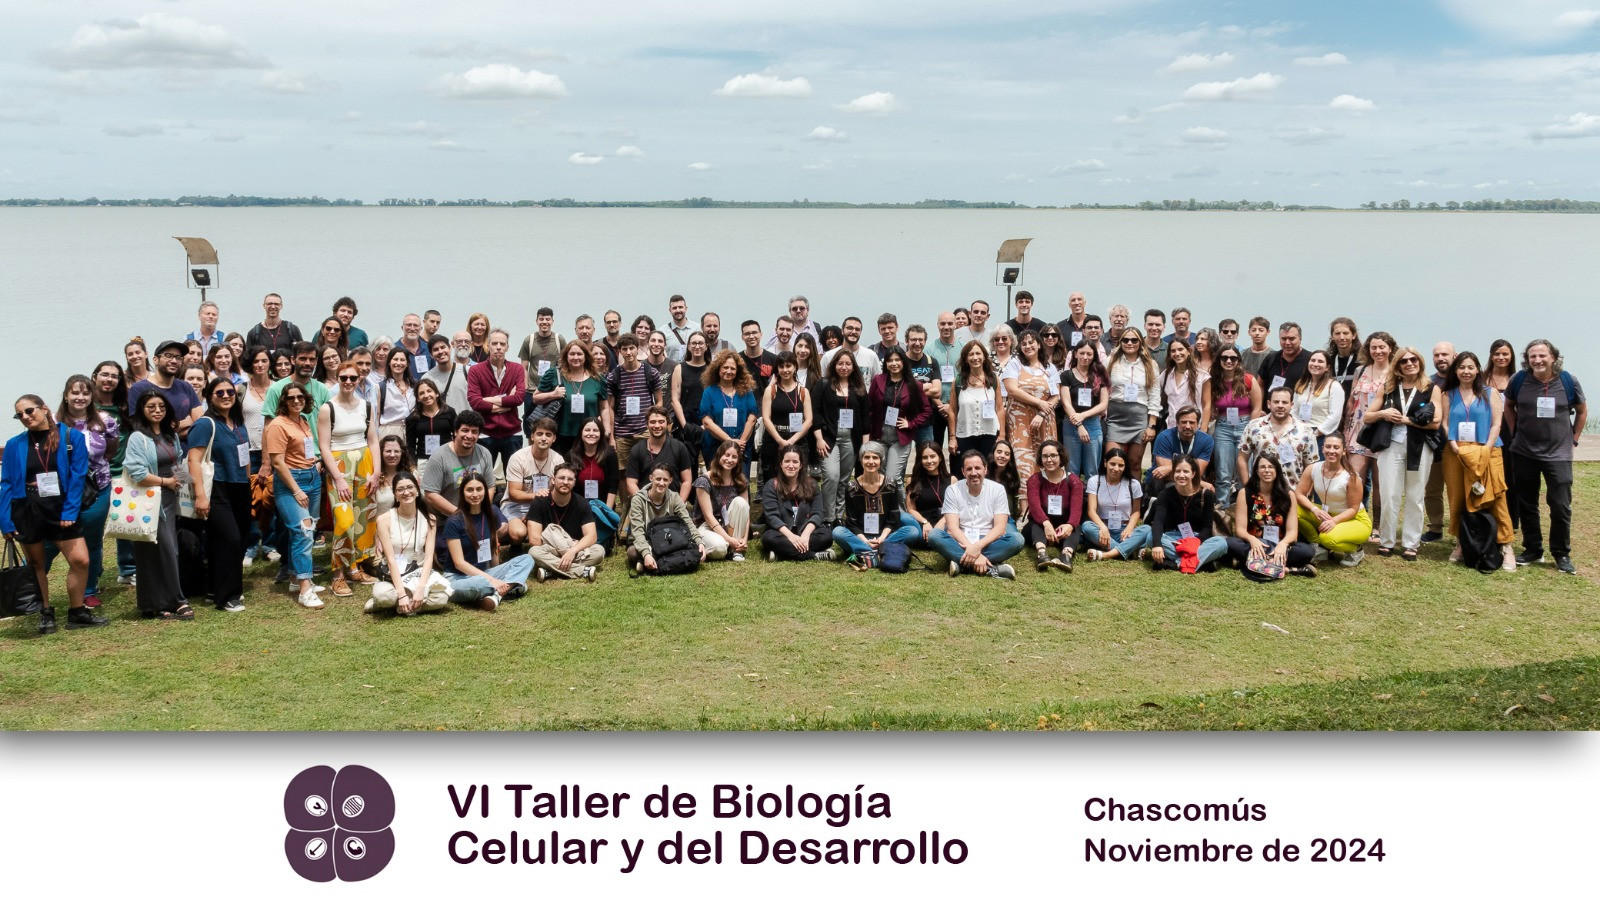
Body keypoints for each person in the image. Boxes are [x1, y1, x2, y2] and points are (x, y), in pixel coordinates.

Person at [1, 395, 106, 632]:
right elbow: (6, 483)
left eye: (29, 411)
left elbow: (78, 476)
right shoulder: (15, 444)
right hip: (28, 508)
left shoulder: (71, 437)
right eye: (20, 415)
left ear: (44, 409)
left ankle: (77, 612)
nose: (25, 417)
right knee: (36, 564)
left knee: (80, 560)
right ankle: (46, 613)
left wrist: (70, 510)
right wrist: (5, 521)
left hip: (60, 507)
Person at [1503, 339, 1585, 574]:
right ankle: (1533, 549)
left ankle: (1561, 553)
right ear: (1527, 359)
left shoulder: (1568, 381)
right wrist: (1515, 432)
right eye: (1533, 356)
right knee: (1527, 503)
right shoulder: (1519, 380)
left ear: (1553, 357)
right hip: (1524, 452)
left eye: (1542, 356)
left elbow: (1581, 411)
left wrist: (1574, 438)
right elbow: (1509, 406)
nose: (1537, 360)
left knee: (1560, 505)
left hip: (1558, 454)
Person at [1437, 351, 1518, 569]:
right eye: (1462, 367)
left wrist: (1487, 448)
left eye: (1470, 367)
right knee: (1458, 497)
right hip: (1456, 452)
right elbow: (1445, 422)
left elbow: (1496, 424)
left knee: (1496, 497)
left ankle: (1506, 545)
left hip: (1488, 450)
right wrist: (1453, 443)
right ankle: (1462, 541)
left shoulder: (1490, 393)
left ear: (1477, 370)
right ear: (1456, 371)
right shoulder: (1448, 394)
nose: (1466, 371)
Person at [43, 376, 117, 610]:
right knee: (49, 541)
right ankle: (30, 588)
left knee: (92, 541)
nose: (80, 397)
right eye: (75, 392)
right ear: (66, 395)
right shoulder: (52, 422)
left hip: (97, 490)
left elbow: (111, 449)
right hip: (60, 493)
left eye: (85, 393)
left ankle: (89, 590)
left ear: (92, 396)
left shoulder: (105, 421)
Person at [1363, 347, 1443, 560]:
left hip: (1419, 447)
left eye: (1413, 359)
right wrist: (1383, 413)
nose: (1409, 364)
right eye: (1404, 361)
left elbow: (1436, 422)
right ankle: (1387, 541)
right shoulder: (1388, 388)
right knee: (1389, 494)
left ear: (1420, 362)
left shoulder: (1431, 388)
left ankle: (1410, 543)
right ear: (1397, 365)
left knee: (1415, 496)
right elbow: (1367, 417)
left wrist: (1408, 420)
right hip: (1391, 446)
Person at [185, 377, 254, 611]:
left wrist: (249, 482)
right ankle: (228, 596)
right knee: (230, 539)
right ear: (209, 396)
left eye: (230, 392)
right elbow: (193, 460)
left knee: (237, 538)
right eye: (219, 393)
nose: (226, 396)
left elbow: (244, 456)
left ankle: (213, 587)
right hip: (216, 489)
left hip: (240, 487)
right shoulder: (205, 424)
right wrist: (200, 496)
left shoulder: (238, 422)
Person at [124, 392, 191, 618]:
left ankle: (153, 604)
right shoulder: (138, 438)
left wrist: (183, 482)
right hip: (149, 500)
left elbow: (178, 461)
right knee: (163, 550)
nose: (157, 410)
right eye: (151, 406)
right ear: (142, 410)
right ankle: (177, 601)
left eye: (161, 406)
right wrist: (166, 482)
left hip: (170, 498)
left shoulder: (170, 435)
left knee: (164, 549)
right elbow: (137, 473)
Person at [316, 361, 380, 597]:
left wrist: (376, 472)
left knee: (364, 518)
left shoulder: (366, 406)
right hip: (339, 465)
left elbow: (373, 440)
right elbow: (324, 446)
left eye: (353, 378)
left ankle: (354, 568)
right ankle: (338, 575)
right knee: (344, 521)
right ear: (337, 378)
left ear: (359, 379)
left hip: (364, 462)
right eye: (343, 377)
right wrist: (338, 478)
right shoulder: (328, 409)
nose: (348, 382)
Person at [437, 471, 533, 609]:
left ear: (485, 491)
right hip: (458, 578)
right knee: (480, 584)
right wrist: (493, 580)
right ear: (462, 493)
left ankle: (496, 594)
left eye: (479, 489)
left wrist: (496, 574)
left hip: (484, 573)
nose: (475, 494)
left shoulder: (491, 513)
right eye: (470, 490)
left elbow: (493, 547)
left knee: (527, 559)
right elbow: (459, 563)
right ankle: (513, 586)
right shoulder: (454, 521)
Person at [363, 470, 451, 615]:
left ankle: (396, 605)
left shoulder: (430, 519)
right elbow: (390, 559)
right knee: (384, 595)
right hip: (393, 575)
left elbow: (429, 558)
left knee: (441, 599)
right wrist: (401, 593)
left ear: (417, 490)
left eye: (410, 487)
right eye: (400, 489)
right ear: (395, 494)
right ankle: (398, 601)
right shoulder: (384, 519)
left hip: (418, 572)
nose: (406, 492)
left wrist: (421, 588)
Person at [929, 450, 1022, 579]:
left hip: (988, 540)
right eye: (969, 469)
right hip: (961, 539)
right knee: (934, 535)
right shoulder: (953, 490)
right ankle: (990, 568)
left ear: (985, 469)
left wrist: (977, 547)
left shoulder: (998, 489)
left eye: (977, 468)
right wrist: (972, 550)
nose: (973, 473)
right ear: (963, 472)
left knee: (1017, 539)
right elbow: (952, 528)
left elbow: (1000, 527)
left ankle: (962, 564)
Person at [832, 441, 920, 569]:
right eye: (867, 457)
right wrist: (865, 540)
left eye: (875, 458)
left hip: (885, 536)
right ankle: (878, 550)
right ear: (861, 460)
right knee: (837, 532)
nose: (871, 462)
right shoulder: (851, 488)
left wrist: (882, 538)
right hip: (861, 536)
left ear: (881, 461)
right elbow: (851, 522)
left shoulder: (890, 485)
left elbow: (893, 517)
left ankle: (867, 551)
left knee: (912, 531)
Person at [1227, 455, 1319, 577]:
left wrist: (1283, 544)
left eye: (1271, 467)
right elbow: (1240, 530)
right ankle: (1287, 568)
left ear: (1277, 470)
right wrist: (1252, 540)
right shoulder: (1245, 493)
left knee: (1307, 551)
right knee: (1231, 543)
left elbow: (1292, 532)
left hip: (1279, 545)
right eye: (1262, 467)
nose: (1267, 470)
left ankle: (1250, 563)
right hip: (1254, 545)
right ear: (1256, 471)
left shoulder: (1288, 495)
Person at [1293, 433, 1374, 566]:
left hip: (1355, 519)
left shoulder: (1351, 476)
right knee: (1293, 508)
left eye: (1336, 447)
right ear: (1322, 448)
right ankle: (1319, 547)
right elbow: (1299, 494)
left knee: (1327, 538)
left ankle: (1356, 550)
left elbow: (1353, 509)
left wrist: (1334, 521)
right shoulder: (1313, 468)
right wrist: (1314, 509)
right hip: (1328, 514)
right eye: (1328, 447)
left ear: (1343, 451)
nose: (1331, 451)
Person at [1343, 330, 1397, 513]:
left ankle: (1377, 524)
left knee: (1380, 482)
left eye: (1382, 347)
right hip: (1358, 431)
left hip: (1382, 432)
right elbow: (1352, 401)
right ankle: (1355, 518)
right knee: (1355, 478)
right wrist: (1345, 432)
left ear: (1390, 349)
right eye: (1374, 347)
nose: (1378, 351)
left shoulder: (1395, 373)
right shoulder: (1360, 371)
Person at [1145, 455, 1229, 572]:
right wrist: (1157, 544)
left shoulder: (1207, 495)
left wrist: (1196, 541)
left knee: (1221, 543)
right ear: (1173, 473)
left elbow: (1207, 527)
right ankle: (1200, 562)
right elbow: (1158, 522)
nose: (1181, 475)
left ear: (1193, 474)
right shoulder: (1165, 495)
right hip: (1172, 538)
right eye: (1178, 471)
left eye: (1186, 471)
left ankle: (1177, 564)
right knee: (1150, 537)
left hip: (1197, 539)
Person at [1239, 387, 1321, 500]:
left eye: (1285, 402)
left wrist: (1304, 493)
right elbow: (1242, 458)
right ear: (1269, 404)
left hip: (1293, 494)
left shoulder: (1305, 430)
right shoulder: (1254, 426)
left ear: (1292, 405)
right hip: (1260, 495)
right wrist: (1248, 488)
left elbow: (1311, 465)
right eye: (1276, 402)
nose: (1280, 405)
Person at [525, 463, 602, 582]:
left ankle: (550, 571)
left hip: (574, 549)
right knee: (534, 552)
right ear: (553, 480)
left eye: (570, 479)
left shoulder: (582, 503)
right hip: (551, 550)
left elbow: (592, 536)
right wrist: (563, 549)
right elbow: (534, 540)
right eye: (561, 478)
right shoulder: (539, 502)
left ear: (574, 483)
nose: (565, 482)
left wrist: (572, 551)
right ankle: (582, 571)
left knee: (599, 551)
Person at [815, 349, 868, 524]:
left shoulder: (859, 388)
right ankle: (828, 517)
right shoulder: (824, 384)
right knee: (831, 477)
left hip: (851, 440)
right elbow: (815, 413)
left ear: (853, 367)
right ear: (834, 365)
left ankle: (839, 516)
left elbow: (865, 418)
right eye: (840, 363)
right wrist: (819, 439)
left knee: (844, 479)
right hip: (828, 439)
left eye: (848, 364)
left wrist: (865, 446)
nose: (844, 367)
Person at [627, 463, 710, 573]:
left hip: (668, 540)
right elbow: (637, 531)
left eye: (665, 480)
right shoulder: (638, 500)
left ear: (670, 481)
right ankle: (652, 559)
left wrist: (699, 542)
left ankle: (648, 563)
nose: (661, 483)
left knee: (690, 544)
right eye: (658, 479)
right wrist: (646, 553)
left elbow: (687, 521)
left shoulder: (674, 497)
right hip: (647, 541)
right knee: (632, 551)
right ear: (651, 478)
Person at [534, 340, 610, 457]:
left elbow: (604, 407)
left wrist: (607, 430)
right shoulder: (555, 374)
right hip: (561, 436)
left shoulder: (597, 378)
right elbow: (535, 397)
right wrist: (553, 394)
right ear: (566, 356)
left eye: (579, 354)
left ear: (586, 356)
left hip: (589, 436)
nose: (575, 357)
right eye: (572, 354)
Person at [467, 328, 527, 475]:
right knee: (481, 477)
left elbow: (519, 398)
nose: (498, 347)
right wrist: (506, 402)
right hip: (485, 433)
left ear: (507, 347)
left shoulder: (517, 369)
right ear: (488, 346)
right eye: (494, 343)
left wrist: (487, 400)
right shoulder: (475, 370)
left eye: (502, 344)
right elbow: (475, 402)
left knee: (515, 478)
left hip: (512, 432)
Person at [1001, 330, 1058, 485]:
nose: (1027, 346)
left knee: (1047, 459)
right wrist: (1038, 402)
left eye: (1031, 342)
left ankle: (1046, 497)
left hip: (1045, 421)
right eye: (1024, 344)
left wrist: (1041, 413)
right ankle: (1024, 498)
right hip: (1020, 422)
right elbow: (1012, 390)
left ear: (1039, 345)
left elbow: (1056, 396)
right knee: (1023, 462)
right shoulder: (1015, 364)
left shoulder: (1049, 368)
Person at [760, 447, 836, 561]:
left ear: (801, 465)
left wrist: (805, 535)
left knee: (827, 536)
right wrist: (791, 537)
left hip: (806, 533)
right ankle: (815, 555)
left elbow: (818, 513)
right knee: (769, 539)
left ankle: (781, 554)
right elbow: (772, 517)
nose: (791, 465)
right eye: (787, 461)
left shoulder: (812, 484)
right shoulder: (771, 486)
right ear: (781, 464)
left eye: (795, 462)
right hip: (782, 534)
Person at [1105, 327, 1162, 478]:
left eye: (1134, 340)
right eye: (1125, 340)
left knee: (1134, 463)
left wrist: (1151, 425)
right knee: (1113, 460)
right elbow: (1102, 388)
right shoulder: (1110, 361)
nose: (1129, 343)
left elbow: (1155, 395)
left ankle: (1135, 493)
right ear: (1120, 342)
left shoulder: (1150, 364)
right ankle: (1113, 493)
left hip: (1139, 419)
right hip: (1115, 417)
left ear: (1140, 342)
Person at [603, 333, 662, 476]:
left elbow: (659, 401)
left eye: (631, 348)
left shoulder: (651, 372)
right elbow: (610, 407)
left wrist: (653, 424)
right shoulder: (613, 376)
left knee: (650, 470)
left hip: (645, 431)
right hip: (622, 434)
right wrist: (611, 437)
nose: (628, 352)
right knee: (622, 473)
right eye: (624, 349)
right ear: (620, 351)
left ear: (637, 348)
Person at [868, 346, 930, 481]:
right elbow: (869, 407)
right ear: (886, 363)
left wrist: (911, 423)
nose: (894, 363)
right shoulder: (878, 380)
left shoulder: (914, 385)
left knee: (892, 478)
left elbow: (926, 411)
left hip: (900, 438)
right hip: (879, 436)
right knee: (879, 478)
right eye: (890, 360)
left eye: (897, 360)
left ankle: (900, 496)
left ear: (903, 362)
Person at [420, 410, 495, 518]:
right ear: (455, 432)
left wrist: (481, 510)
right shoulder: (439, 457)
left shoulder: (484, 453)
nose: (469, 435)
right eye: (465, 430)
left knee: (503, 524)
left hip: (476, 513)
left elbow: (490, 487)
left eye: (474, 432)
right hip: (445, 517)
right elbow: (430, 495)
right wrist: (460, 515)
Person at [1081, 448, 1150, 562]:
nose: (1116, 469)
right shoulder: (1095, 481)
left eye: (1121, 465)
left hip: (1124, 529)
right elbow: (1091, 511)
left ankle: (1107, 554)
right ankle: (1130, 549)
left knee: (1147, 529)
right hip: (1102, 528)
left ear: (1125, 466)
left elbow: (1136, 511)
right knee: (1086, 526)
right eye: (1112, 464)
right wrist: (1103, 528)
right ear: (1105, 463)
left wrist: (1129, 528)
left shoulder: (1133, 484)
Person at [1024, 440, 1083, 572]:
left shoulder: (1074, 481)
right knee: (1035, 525)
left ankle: (1066, 556)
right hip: (1040, 525)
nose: (1049, 460)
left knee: (1075, 527)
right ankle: (1042, 554)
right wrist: (1047, 525)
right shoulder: (1035, 480)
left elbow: (1076, 510)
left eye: (1053, 456)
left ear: (1061, 457)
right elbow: (1034, 507)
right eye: (1045, 456)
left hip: (1063, 526)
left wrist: (1069, 526)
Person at [501, 417, 564, 541]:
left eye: (548, 435)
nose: (543, 438)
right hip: (516, 505)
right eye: (539, 434)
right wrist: (537, 496)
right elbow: (513, 494)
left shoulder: (558, 460)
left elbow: (559, 491)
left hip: (544, 505)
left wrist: (534, 510)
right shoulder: (518, 458)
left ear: (554, 438)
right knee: (518, 533)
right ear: (532, 436)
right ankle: (516, 545)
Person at [946, 339, 1004, 467]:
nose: (975, 357)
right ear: (966, 359)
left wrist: (1002, 436)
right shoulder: (958, 381)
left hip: (989, 434)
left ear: (984, 357)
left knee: (988, 470)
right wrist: (952, 437)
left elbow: (999, 408)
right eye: (971, 354)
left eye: (978, 353)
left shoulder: (994, 379)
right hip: (964, 435)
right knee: (964, 470)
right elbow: (952, 411)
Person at [1421, 340, 1458, 543]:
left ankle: (1459, 529)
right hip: (1434, 445)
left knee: (1458, 490)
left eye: (1445, 354)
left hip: (1459, 445)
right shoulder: (1428, 383)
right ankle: (1435, 527)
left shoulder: (1464, 379)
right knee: (1432, 490)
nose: (1441, 358)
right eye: (1437, 355)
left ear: (1455, 356)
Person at [698, 350, 758, 471]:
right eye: (725, 367)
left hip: (742, 448)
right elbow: (706, 422)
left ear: (738, 371)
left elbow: (752, 418)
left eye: (732, 368)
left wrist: (740, 443)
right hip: (715, 448)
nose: (729, 371)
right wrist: (730, 441)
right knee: (717, 480)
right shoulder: (709, 392)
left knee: (741, 480)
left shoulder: (746, 391)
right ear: (718, 369)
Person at [128, 339, 203, 436]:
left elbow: (201, 424)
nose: (174, 361)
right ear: (155, 360)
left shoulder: (186, 387)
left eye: (178, 357)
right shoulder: (138, 389)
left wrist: (170, 429)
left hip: (188, 445)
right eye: (168, 356)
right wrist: (180, 425)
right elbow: (141, 428)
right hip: (155, 445)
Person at [694, 440, 752, 561]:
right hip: (707, 526)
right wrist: (729, 539)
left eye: (734, 457)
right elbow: (708, 517)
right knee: (719, 548)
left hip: (729, 524)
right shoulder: (704, 481)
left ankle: (736, 550)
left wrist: (744, 539)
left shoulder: (741, 481)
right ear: (719, 455)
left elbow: (745, 514)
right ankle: (722, 545)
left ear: (738, 460)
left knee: (741, 503)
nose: (730, 460)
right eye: (727, 455)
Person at [622, 407, 695, 502]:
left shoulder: (679, 447)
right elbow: (631, 483)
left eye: (661, 422)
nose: (657, 426)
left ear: (668, 423)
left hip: (672, 504)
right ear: (647, 424)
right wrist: (644, 503)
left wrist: (679, 504)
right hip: (645, 503)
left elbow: (687, 481)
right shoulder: (637, 450)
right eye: (652, 422)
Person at [1059, 339, 1108, 478]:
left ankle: (1090, 492)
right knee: (1072, 469)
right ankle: (1074, 492)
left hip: (1093, 424)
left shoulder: (1100, 375)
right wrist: (1079, 423)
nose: (1085, 357)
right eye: (1082, 353)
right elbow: (1066, 403)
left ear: (1094, 355)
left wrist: (1083, 415)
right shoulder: (1066, 375)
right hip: (1071, 424)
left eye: (1089, 354)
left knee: (1092, 470)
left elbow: (1103, 404)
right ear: (1075, 354)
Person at [1483, 337, 1520, 523]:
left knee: (1510, 473)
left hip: (1511, 430)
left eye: (1505, 354)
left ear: (1511, 356)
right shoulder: (1481, 378)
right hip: (1488, 429)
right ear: (1491, 356)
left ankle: (1511, 517)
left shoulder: (1517, 379)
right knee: (1489, 471)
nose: (1501, 357)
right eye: (1497, 354)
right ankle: (1488, 513)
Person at [571, 418, 622, 549]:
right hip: (579, 508)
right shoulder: (572, 455)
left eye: (595, 430)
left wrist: (606, 512)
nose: (591, 433)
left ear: (601, 434)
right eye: (587, 430)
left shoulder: (609, 454)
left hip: (602, 506)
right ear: (581, 433)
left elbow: (613, 486)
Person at [761, 351, 813, 480]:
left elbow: (809, 420)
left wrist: (791, 441)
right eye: (781, 366)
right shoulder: (771, 390)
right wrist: (780, 441)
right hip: (774, 440)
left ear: (795, 367)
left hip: (798, 439)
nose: (785, 370)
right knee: (772, 479)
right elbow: (766, 418)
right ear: (777, 369)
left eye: (788, 366)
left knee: (798, 479)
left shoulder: (803, 391)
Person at [1148, 406, 1214, 499]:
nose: (1187, 426)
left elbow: (1198, 472)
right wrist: (1199, 482)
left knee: (1208, 492)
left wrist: (1170, 468)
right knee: (1173, 488)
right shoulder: (1164, 437)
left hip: (1191, 480)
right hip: (1164, 482)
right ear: (1177, 423)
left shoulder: (1206, 440)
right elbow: (1166, 475)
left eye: (1192, 422)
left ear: (1198, 424)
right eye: (1184, 422)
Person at [904, 441, 954, 548]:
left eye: (932, 456)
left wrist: (942, 523)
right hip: (920, 524)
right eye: (925, 458)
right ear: (920, 460)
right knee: (904, 517)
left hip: (944, 523)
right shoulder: (912, 480)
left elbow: (956, 508)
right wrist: (925, 522)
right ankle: (931, 540)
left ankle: (932, 539)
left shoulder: (952, 480)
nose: (929, 461)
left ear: (940, 458)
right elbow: (911, 509)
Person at [1291, 349, 1346, 444]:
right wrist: (1297, 429)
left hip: (1322, 435)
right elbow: (1294, 410)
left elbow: (1335, 416)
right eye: (1313, 360)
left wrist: (1316, 433)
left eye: (1320, 361)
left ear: (1327, 367)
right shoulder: (1301, 384)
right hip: (1300, 433)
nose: (1315, 364)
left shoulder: (1334, 386)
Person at [670, 331, 710, 452]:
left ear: (706, 346)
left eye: (700, 343)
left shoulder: (712, 369)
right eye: (694, 343)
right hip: (684, 423)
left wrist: (707, 425)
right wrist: (685, 425)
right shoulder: (679, 368)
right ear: (688, 346)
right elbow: (675, 399)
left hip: (708, 424)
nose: (697, 346)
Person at [368, 346, 416, 443]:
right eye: (395, 359)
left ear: (407, 363)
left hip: (411, 432)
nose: (398, 363)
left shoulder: (414, 386)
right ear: (389, 362)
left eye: (402, 360)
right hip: (388, 433)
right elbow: (376, 416)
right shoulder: (380, 387)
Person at [405, 378, 456, 464]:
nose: (426, 395)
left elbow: (457, 436)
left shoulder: (449, 412)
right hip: (424, 461)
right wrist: (413, 464)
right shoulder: (413, 418)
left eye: (429, 391)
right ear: (418, 398)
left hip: (447, 459)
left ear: (436, 393)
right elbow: (410, 445)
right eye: (421, 393)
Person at [424, 332, 473, 413]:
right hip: (443, 420)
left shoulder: (468, 371)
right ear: (431, 355)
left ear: (450, 348)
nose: (440, 351)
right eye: (435, 349)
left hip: (466, 420)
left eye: (443, 347)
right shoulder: (427, 378)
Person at [1158, 338, 1202, 428]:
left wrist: (1204, 429)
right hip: (1171, 426)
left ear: (1189, 351)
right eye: (1173, 351)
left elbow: (1207, 404)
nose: (1177, 353)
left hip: (1193, 427)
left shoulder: (1201, 375)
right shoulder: (1165, 375)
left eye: (1180, 349)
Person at [369, 434, 414, 520]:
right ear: (380, 453)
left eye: (396, 451)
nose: (392, 455)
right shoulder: (373, 477)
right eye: (388, 451)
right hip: (380, 525)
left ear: (402, 453)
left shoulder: (412, 474)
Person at [1257, 322, 1309, 395]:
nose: (1287, 343)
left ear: (1300, 339)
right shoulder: (1271, 358)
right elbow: (1260, 385)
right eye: (1284, 339)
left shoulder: (1310, 360)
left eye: (1291, 339)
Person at [1327, 317, 1362, 412]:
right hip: (1332, 410)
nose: (1341, 337)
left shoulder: (1363, 361)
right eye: (1337, 333)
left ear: (1354, 335)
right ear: (1332, 336)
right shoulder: (1328, 361)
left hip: (1355, 411)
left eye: (1345, 333)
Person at [738, 320, 780, 397]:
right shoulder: (737, 360)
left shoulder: (774, 360)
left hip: (768, 402)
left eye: (754, 332)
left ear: (761, 334)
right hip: (744, 403)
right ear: (742, 337)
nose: (751, 336)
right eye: (747, 334)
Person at [988, 438, 1022, 519]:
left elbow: (1015, 502)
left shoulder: (1013, 475)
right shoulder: (984, 473)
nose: (1002, 456)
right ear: (993, 454)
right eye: (999, 452)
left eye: (1007, 454)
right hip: (986, 517)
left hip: (1006, 518)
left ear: (1010, 458)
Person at [664, 294, 694, 361]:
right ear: (670, 310)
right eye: (674, 308)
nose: (678, 310)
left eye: (680, 307)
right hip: (671, 367)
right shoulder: (663, 331)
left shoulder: (697, 328)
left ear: (686, 308)